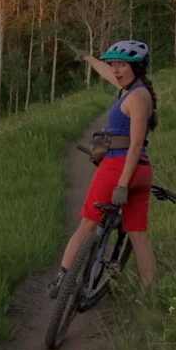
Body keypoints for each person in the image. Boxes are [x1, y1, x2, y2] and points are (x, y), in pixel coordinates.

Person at [48, 39, 159, 296]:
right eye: (115, 65)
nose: (117, 70)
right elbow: (107, 73)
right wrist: (88, 58)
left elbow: (135, 144)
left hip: (121, 167)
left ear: (137, 68)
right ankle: (154, 296)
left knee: (87, 224)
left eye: (123, 65)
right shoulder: (131, 89)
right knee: (137, 235)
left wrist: (121, 184)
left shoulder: (138, 97)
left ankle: (61, 278)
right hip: (141, 171)